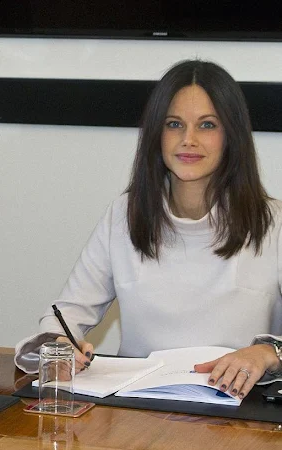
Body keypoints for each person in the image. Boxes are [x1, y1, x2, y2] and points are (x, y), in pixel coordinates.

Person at [15, 59, 282, 399]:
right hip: (140, 409)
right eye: (174, 124)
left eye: (207, 125)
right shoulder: (124, 214)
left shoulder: (273, 222)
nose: (188, 140)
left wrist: (267, 353)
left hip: (239, 412)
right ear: (156, 133)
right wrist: (59, 344)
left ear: (232, 136)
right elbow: (66, 313)